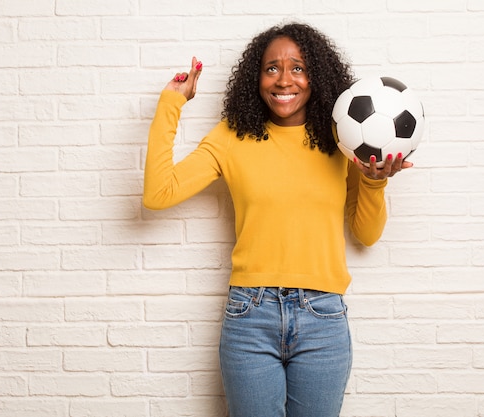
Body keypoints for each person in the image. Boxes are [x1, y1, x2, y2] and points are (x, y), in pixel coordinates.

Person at [143, 22, 412, 417]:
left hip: (323, 318)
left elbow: (366, 235)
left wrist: (373, 185)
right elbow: (158, 193)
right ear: (257, 77)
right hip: (250, 317)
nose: (284, 80)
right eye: (272, 69)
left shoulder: (344, 140)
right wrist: (171, 103)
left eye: (298, 68)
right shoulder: (231, 137)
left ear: (315, 76)